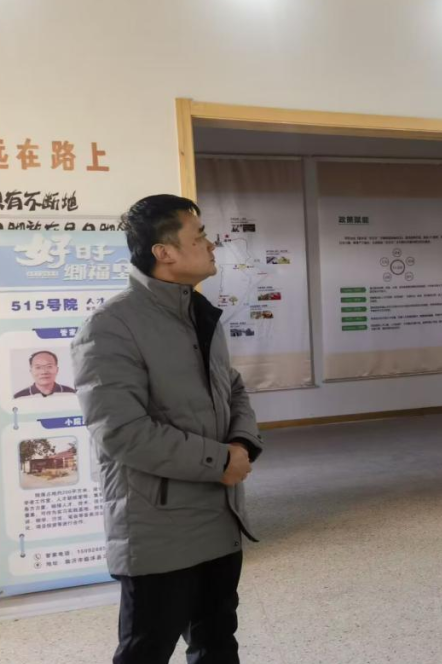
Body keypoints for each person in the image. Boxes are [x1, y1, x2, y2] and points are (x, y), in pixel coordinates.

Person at [71, 194, 263, 664]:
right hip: (158, 529)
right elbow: (122, 431)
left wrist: (241, 444)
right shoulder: (110, 326)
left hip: (220, 516)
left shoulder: (200, 314)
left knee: (218, 643)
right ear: (164, 252)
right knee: (146, 651)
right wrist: (220, 461)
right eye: (199, 237)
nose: (212, 245)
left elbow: (232, 387)